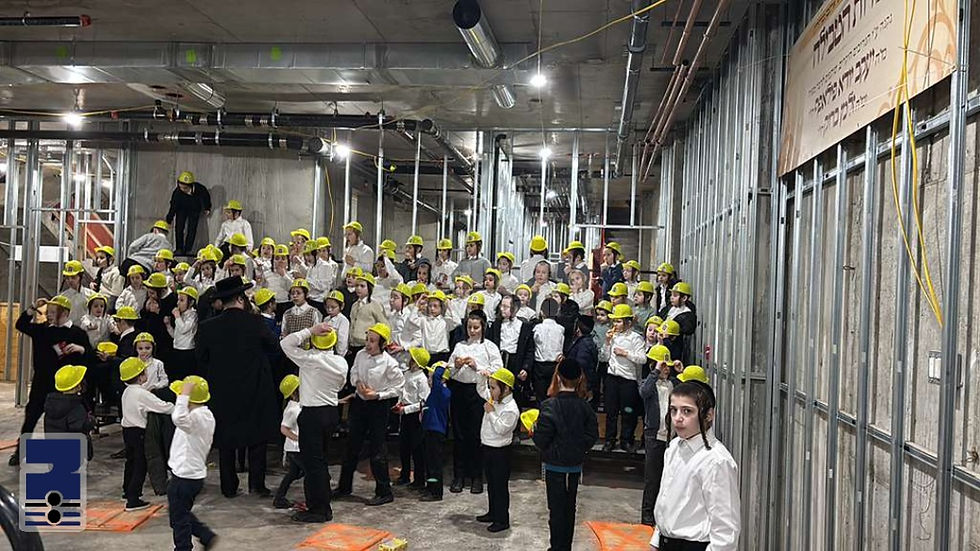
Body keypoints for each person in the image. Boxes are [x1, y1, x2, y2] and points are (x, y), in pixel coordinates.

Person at [195, 276, 280, 498]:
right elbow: (274, 346)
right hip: (254, 387)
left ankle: (229, 486)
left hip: (222, 390)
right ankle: (257, 485)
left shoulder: (208, 326)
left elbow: (201, 358)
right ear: (241, 298)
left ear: (222, 302)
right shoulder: (255, 322)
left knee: (226, 439)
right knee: (257, 437)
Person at [650, 381, 740, 551]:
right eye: (673, 410)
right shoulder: (674, 447)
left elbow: (726, 529)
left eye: (687, 411)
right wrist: (656, 539)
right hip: (666, 542)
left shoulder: (716, 461)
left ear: (708, 415)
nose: (678, 418)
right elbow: (666, 498)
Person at [9, 295, 91, 466]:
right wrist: (33, 307)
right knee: (31, 416)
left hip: (66, 386)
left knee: (65, 423)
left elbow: (90, 358)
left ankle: (72, 453)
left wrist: (81, 349)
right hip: (41, 382)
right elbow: (21, 325)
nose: (49, 314)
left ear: (65, 313)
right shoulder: (42, 330)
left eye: (54, 311)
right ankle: (20, 451)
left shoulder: (77, 333)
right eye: (49, 311)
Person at [280, 323, 348, 522]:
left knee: (312, 465)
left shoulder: (310, 359)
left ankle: (319, 510)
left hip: (313, 414)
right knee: (320, 462)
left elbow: (286, 343)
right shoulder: (341, 363)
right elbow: (341, 385)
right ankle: (323, 505)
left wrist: (309, 331)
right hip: (331, 413)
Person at [532, 359, 599, 551]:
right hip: (575, 465)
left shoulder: (549, 405)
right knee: (570, 508)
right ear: (579, 379)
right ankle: (565, 547)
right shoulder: (585, 407)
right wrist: (579, 447)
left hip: (554, 465)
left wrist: (534, 431)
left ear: (558, 378)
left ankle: (556, 547)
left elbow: (541, 440)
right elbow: (592, 435)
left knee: (556, 510)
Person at [335, 323, 405, 506]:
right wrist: (357, 383)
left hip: (378, 407)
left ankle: (384, 491)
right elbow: (354, 372)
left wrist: (378, 395)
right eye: (367, 340)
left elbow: (398, 387)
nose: (368, 344)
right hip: (360, 404)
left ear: (382, 344)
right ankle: (344, 487)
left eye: (373, 341)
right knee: (351, 445)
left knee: (377, 449)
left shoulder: (389, 363)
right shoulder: (360, 355)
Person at [447, 310, 503, 494]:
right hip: (459, 391)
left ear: (483, 327)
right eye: (469, 327)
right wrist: (455, 366)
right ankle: (459, 476)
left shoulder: (489, 347)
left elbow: (498, 369)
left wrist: (477, 366)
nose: (472, 331)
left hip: (478, 392)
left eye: (476, 327)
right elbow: (449, 369)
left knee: (476, 435)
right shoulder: (459, 346)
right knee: (459, 435)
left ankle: (476, 477)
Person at [167, 376, 218, 551]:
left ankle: (184, 548)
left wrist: (184, 395)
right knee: (179, 514)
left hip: (185, 476)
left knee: (179, 519)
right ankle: (205, 535)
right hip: (189, 475)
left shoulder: (196, 418)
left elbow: (178, 418)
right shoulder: (205, 415)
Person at [119, 356, 175, 511]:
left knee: (130, 462)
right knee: (140, 465)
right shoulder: (142, 394)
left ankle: (127, 491)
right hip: (139, 432)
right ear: (140, 376)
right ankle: (133, 499)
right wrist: (177, 407)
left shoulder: (127, 391)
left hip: (127, 431)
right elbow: (162, 407)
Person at [474, 367, 519, 533]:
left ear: (505, 389)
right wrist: (482, 377)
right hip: (488, 447)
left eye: (493, 387)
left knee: (500, 486)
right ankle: (493, 512)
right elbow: (481, 389)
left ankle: (502, 520)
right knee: (492, 484)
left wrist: (491, 413)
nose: (490, 391)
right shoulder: (495, 398)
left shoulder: (511, 409)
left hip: (501, 452)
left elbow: (501, 429)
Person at [604, 304, 647, 453]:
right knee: (611, 412)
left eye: (618, 321)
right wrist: (607, 342)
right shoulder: (612, 336)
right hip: (612, 378)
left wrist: (625, 353)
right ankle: (609, 440)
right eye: (614, 321)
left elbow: (642, 359)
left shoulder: (636, 338)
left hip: (628, 380)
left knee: (628, 412)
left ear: (628, 322)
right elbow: (604, 357)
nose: (615, 324)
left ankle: (626, 440)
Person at [640, 344, 674, 527]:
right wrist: (655, 372)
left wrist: (680, 371)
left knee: (668, 478)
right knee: (652, 478)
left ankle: (663, 515)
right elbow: (644, 392)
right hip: (653, 436)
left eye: (667, 366)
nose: (666, 369)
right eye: (663, 366)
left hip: (671, 437)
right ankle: (647, 515)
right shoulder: (649, 383)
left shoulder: (673, 384)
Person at [487, 294, 535, 408]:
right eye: (501, 306)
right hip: (499, 360)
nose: (502, 309)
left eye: (506, 306)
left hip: (515, 362)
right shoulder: (495, 324)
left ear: (515, 308)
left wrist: (526, 368)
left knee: (515, 392)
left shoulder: (524, 326)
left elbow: (529, 350)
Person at [393, 347, 430, 489]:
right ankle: (404, 475)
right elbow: (402, 391)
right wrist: (399, 403)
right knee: (404, 446)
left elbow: (423, 402)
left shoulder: (422, 379)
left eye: (413, 360)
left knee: (417, 448)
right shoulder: (407, 374)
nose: (410, 361)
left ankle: (419, 479)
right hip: (404, 413)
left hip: (415, 416)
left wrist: (406, 409)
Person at [45, 365, 95, 460]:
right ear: (77, 386)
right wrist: (91, 421)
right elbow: (80, 427)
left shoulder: (51, 403)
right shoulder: (76, 407)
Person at [418, 361, 452, 502]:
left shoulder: (442, 392)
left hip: (436, 432)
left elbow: (438, 377)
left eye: (430, 377)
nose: (429, 380)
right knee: (429, 462)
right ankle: (430, 486)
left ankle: (436, 492)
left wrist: (441, 367)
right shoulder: (435, 392)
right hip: (429, 430)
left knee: (435, 463)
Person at [273, 374, 303, 510]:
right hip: (295, 449)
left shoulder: (300, 405)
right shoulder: (292, 409)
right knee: (310, 472)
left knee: (293, 474)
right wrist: (298, 439)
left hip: (297, 448)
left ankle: (279, 498)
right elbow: (284, 429)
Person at [165, 171, 212, 256]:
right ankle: (179, 248)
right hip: (181, 209)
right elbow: (173, 206)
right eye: (180, 187)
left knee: (192, 229)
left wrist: (207, 207)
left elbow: (206, 196)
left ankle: (188, 249)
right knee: (179, 228)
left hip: (194, 209)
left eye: (185, 188)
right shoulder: (177, 192)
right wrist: (169, 219)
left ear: (191, 185)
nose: (182, 189)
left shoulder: (199, 188)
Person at [532, 299, 565, 404]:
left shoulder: (537, 328)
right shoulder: (561, 329)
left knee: (540, 396)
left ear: (542, 312)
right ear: (557, 311)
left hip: (540, 365)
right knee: (554, 395)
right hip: (555, 365)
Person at [348, 273, 388, 359]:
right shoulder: (354, 305)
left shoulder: (374, 305)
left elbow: (384, 323)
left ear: (370, 288)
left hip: (366, 345)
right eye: (357, 285)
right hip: (353, 344)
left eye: (362, 286)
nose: (358, 288)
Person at [658, 282, 698, 364]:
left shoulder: (687, 314)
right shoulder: (669, 308)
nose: (671, 298)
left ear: (684, 298)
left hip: (674, 347)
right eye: (671, 295)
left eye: (675, 295)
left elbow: (687, 330)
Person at [166, 286, 199, 380]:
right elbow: (176, 336)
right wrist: (168, 326)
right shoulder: (181, 315)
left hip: (187, 352)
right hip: (177, 350)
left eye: (181, 300)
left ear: (191, 302)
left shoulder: (193, 315)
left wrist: (177, 316)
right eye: (178, 300)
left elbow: (183, 329)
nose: (178, 303)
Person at [590, 301, 613, 410]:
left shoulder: (611, 328)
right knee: (596, 381)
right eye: (598, 314)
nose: (599, 317)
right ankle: (595, 401)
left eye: (602, 315)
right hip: (597, 358)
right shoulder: (595, 326)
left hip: (607, 359)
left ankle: (607, 402)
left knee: (607, 383)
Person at [60, 260, 95, 325]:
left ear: (80, 277)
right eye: (67, 278)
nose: (70, 280)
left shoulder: (91, 295)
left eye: (73, 277)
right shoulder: (62, 297)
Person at [324, 290, 350, 358]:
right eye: (327, 307)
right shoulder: (326, 319)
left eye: (333, 307)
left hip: (336, 354)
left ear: (342, 306)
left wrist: (339, 355)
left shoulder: (343, 320)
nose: (329, 310)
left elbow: (342, 340)